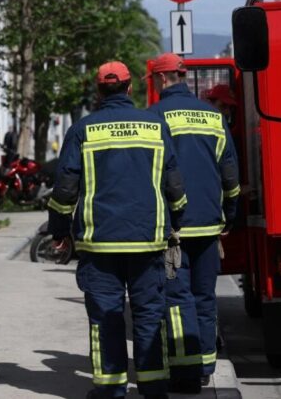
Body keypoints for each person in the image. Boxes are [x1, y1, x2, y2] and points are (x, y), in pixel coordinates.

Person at [47, 61, 187, 399]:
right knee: (149, 314)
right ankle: (153, 387)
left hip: (100, 244)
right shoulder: (155, 125)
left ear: (99, 92)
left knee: (106, 317)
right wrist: (176, 222)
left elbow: (65, 188)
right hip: (147, 240)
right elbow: (174, 184)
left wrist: (59, 231)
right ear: (129, 89)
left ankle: (110, 389)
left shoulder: (83, 129)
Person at [146, 53, 240, 391]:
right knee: (204, 296)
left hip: (172, 229)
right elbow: (230, 172)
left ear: (160, 79)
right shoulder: (214, 117)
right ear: (183, 76)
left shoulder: (153, 117)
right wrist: (229, 214)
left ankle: (186, 373)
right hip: (208, 226)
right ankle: (205, 364)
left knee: (176, 298)